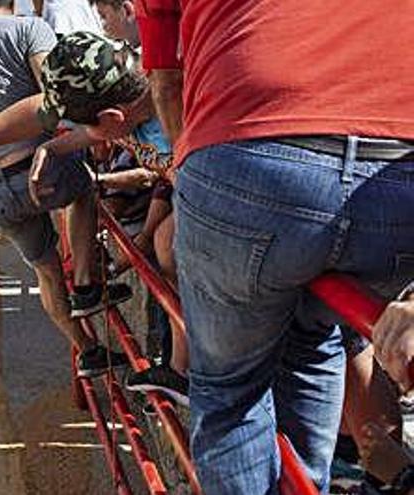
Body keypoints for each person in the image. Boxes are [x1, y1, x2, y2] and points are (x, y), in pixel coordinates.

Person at [135, 1, 414, 492]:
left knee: (228, 393)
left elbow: (166, 82)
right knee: (315, 339)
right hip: (397, 175)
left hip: (248, 151)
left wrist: (197, 185)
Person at [0, 0, 133, 378]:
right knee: (84, 190)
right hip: (33, 166)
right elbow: (55, 93)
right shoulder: (29, 30)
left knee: (45, 271)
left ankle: (87, 350)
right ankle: (88, 284)